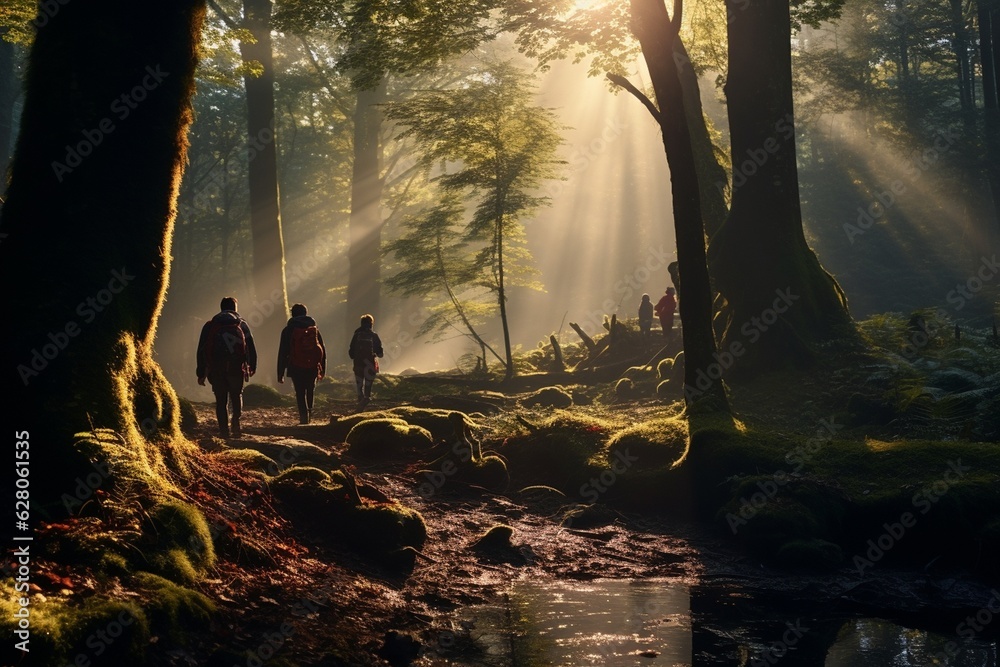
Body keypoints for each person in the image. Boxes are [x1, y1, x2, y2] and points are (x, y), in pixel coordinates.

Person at [197, 296, 257, 438]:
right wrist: (252, 365)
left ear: (221, 308)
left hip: (216, 369)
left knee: (221, 400)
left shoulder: (210, 325)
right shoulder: (241, 324)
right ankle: (235, 421)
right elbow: (250, 346)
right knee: (236, 395)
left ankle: (224, 431)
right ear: (235, 308)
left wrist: (201, 372)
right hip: (236, 368)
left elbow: (201, 349)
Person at [277, 303, 327, 424]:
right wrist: (323, 368)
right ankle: (310, 411)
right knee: (310, 388)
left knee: (300, 392)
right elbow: (322, 349)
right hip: (313, 365)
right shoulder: (313, 329)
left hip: (295, 365)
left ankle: (303, 417)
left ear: (292, 314)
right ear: (305, 313)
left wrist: (280, 372)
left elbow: (283, 351)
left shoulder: (288, 330)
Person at [348, 313, 383, 409]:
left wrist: (354, 356)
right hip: (370, 363)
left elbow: (351, 350)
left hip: (358, 363)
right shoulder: (373, 335)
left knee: (359, 383)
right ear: (371, 324)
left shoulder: (356, 334)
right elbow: (380, 352)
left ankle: (360, 397)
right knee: (368, 383)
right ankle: (366, 398)